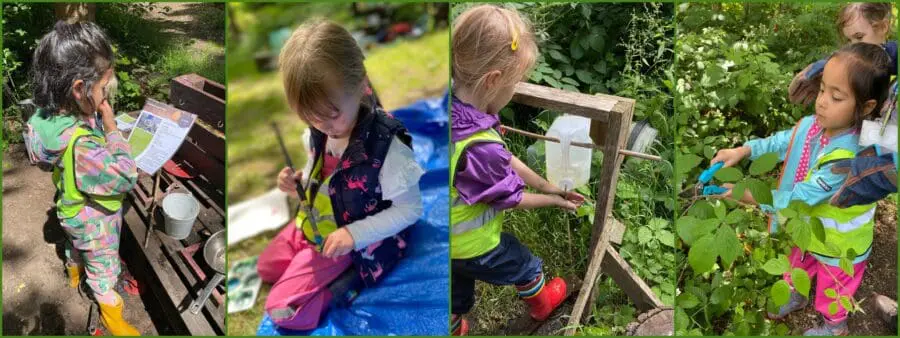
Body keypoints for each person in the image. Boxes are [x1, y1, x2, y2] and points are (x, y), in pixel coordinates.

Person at [255, 20, 424, 331]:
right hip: (315, 224)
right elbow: (319, 178)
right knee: (265, 267)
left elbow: (411, 209)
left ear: (361, 85)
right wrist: (297, 185)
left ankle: (345, 281)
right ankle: (312, 270)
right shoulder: (319, 131)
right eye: (310, 117)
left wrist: (354, 236)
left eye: (331, 114)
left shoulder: (389, 150)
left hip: (355, 239)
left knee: (284, 311)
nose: (322, 126)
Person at [712, 43, 892, 336]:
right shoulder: (814, 125)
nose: (821, 102)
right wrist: (744, 150)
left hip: (838, 244)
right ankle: (795, 293)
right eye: (822, 90)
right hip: (806, 228)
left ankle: (835, 326)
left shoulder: (850, 158)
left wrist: (747, 195)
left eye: (836, 97)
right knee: (798, 261)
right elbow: (784, 140)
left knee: (834, 287)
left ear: (866, 106)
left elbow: (799, 196)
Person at [449, 5, 585, 336]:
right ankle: (542, 306)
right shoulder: (481, 146)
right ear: (494, 80)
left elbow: (504, 158)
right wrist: (554, 200)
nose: (516, 89)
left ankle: (454, 327)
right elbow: (512, 198)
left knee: (454, 295)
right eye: (516, 81)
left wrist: (547, 184)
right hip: (474, 244)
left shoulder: (454, 112)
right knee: (525, 265)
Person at [25, 21, 140, 336]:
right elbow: (126, 176)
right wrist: (112, 129)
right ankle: (112, 318)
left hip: (69, 209)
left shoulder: (47, 118)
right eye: (103, 87)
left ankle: (74, 274)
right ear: (79, 88)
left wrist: (91, 116)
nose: (105, 96)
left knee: (75, 248)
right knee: (102, 269)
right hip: (93, 222)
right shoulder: (83, 145)